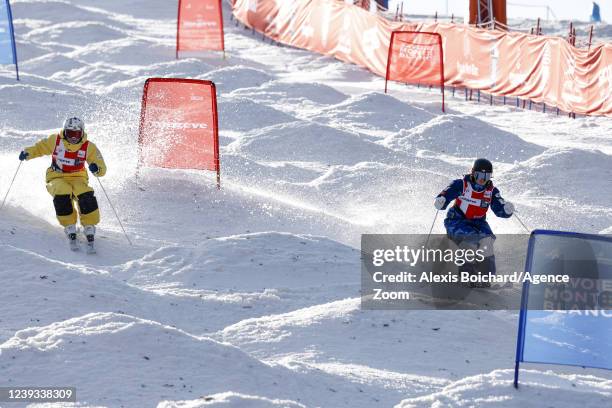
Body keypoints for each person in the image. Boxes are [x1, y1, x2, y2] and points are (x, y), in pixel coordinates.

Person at [19, 117, 106, 252]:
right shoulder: (56, 140)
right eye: (70, 133)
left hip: (78, 176)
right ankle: (69, 224)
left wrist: (97, 168)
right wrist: (28, 153)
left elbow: (101, 165)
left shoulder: (88, 146)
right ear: (65, 132)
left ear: (82, 133)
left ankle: (89, 225)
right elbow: (40, 148)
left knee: (85, 193)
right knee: (62, 191)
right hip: (56, 175)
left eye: (76, 134)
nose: (73, 137)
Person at [434, 158, 514, 286]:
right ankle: (467, 276)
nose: (482, 180)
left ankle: (485, 277)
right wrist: (441, 200)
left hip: (479, 223)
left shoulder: (491, 191)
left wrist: (506, 210)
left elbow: (499, 208)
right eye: (479, 175)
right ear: (472, 173)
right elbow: (446, 194)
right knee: (470, 239)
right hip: (457, 220)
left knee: (486, 241)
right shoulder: (462, 184)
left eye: (486, 176)